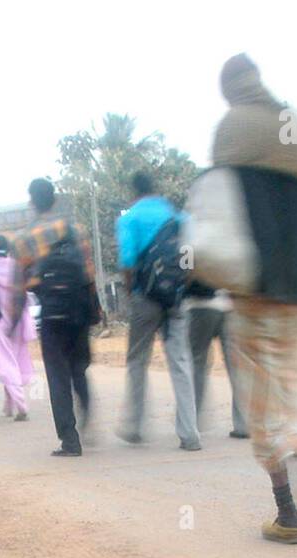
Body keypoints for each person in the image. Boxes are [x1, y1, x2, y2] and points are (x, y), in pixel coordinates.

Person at [210, 53, 297, 543]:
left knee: (261, 407)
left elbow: (219, 209)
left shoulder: (231, 125)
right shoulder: (292, 122)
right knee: (281, 385)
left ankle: (288, 512)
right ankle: (295, 444)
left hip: (253, 289)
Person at [12, 178, 99, 457]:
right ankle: (85, 407)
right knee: (78, 367)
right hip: (79, 308)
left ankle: (69, 440)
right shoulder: (76, 229)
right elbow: (88, 272)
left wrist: (14, 320)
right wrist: (95, 308)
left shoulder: (24, 238)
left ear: (33, 202)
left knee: (57, 375)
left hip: (51, 312)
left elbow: (19, 285)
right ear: (54, 198)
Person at [115, 171, 200, 451]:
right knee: (180, 362)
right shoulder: (179, 218)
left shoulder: (129, 219)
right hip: (175, 297)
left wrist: (132, 292)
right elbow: (189, 257)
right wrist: (180, 288)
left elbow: (127, 261)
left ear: (134, 192)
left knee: (138, 360)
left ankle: (134, 426)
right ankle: (190, 434)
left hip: (145, 298)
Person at [0, 234, 36, 421]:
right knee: (15, 361)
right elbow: (25, 294)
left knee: (5, 365)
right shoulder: (16, 267)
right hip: (17, 320)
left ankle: (21, 405)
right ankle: (8, 405)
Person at [182, 284, 248, 438]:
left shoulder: (189, 258)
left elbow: (186, 271)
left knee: (197, 364)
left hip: (200, 306)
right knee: (236, 366)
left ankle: (192, 420)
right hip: (229, 307)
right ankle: (244, 424)